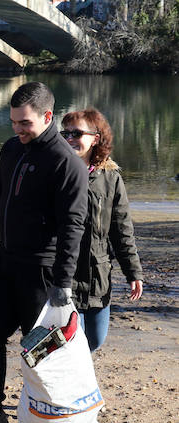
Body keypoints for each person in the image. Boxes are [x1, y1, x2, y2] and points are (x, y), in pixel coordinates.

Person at [0, 82, 88, 423]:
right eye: (14, 122)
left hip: (42, 270)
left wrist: (63, 280)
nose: (18, 129)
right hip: (6, 260)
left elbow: (73, 225)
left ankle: (44, 420)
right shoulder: (12, 149)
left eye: (25, 123)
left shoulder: (65, 162)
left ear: (47, 117)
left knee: (39, 348)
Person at [61, 108, 143, 351]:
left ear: (95, 138)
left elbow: (122, 230)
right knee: (71, 345)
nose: (70, 139)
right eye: (65, 133)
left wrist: (133, 272)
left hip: (98, 276)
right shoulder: (57, 173)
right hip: (63, 275)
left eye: (76, 133)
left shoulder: (111, 178)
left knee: (94, 341)